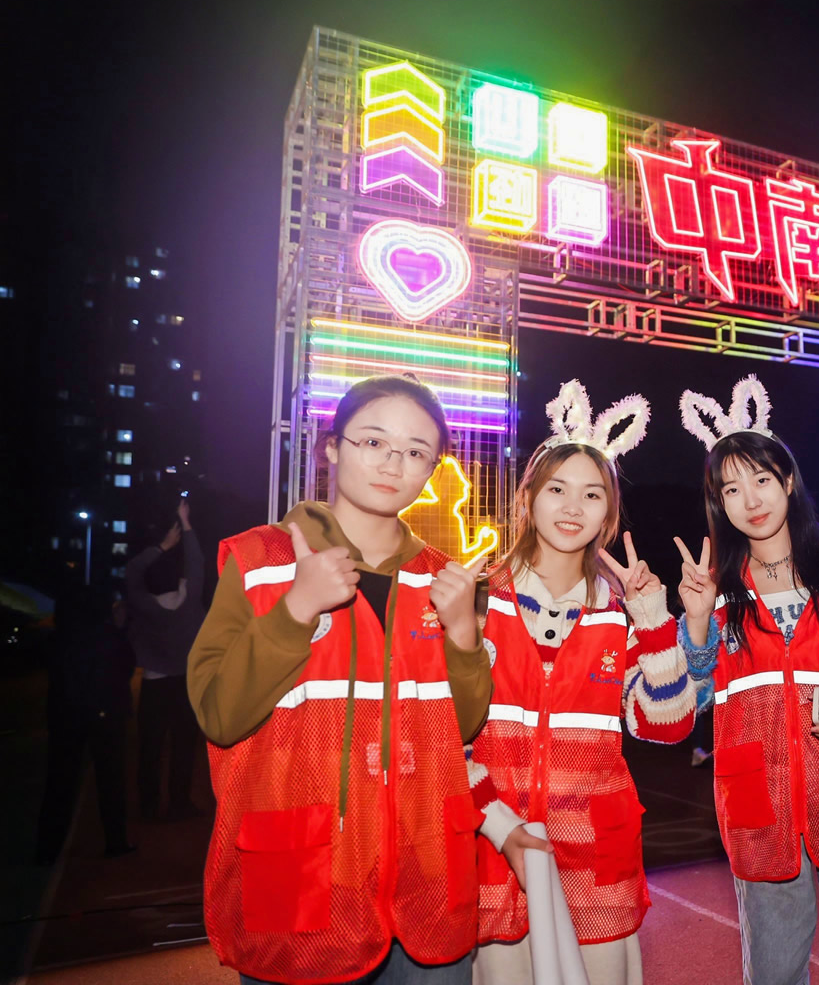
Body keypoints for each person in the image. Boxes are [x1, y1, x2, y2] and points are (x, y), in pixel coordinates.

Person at [187, 374, 491, 984]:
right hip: (303, 876)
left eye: (415, 452)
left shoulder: (444, 580)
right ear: (331, 447)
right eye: (373, 442)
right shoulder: (259, 560)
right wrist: (296, 609)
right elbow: (220, 715)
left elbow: (462, 728)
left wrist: (463, 637)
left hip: (425, 875)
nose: (393, 464)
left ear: (432, 469)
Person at [467, 380, 696, 985]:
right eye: (557, 489)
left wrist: (652, 619)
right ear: (527, 499)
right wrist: (495, 822)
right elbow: (444, 737)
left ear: (608, 513)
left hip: (597, 864)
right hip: (492, 853)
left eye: (592, 494)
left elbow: (669, 727)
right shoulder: (478, 601)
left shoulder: (620, 614)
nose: (573, 507)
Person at [675, 376, 819, 985]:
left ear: (789, 481)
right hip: (759, 806)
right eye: (731, 489)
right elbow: (690, 700)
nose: (750, 499)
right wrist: (695, 627)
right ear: (718, 503)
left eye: (761, 479)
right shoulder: (712, 589)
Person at [35, 585, 135, 863]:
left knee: (60, 782)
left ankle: (47, 849)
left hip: (65, 715)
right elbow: (125, 668)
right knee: (110, 780)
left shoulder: (57, 639)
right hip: (106, 714)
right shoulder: (110, 637)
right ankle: (115, 841)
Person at [125, 497, 206, 820]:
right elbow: (197, 564)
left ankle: (148, 805)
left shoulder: (144, 606)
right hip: (186, 682)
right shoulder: (190, 603)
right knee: (184, 744)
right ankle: (179, 803)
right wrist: (186, 524)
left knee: (151, 746)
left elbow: (132, 572)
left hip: (154, 681)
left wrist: (162, 546)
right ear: (179, 581)